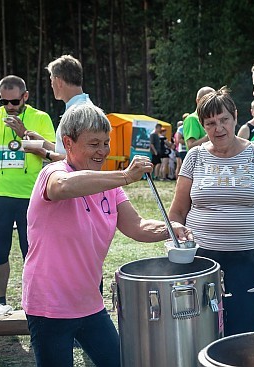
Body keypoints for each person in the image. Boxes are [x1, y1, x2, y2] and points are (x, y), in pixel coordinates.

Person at [22, 103, 192, 367]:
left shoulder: (109, 187)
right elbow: (62, 187)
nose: (102, 151)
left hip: (89, 303)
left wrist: (171, 229)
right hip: (49, 305)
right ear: (68, 142)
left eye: (105, 142)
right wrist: (124, 175)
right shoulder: (53, 173)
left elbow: (136, 226)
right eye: (93, 144)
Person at [169, 87, 254, 336]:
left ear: (235, 116)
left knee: (245, 331)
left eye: (224, 120)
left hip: (252, 258)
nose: (218, 128)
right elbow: (177, 212)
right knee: (204, 330)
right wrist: (177, 236)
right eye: (210, 123)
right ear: (203, 126)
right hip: (203, 259)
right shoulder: (194, 157)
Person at [0, 75, 55, 305]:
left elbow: (52, 152)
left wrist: (23, 132)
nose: (9, 107)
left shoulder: (40, 117)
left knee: (32, 255)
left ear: (25, 96)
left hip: (30, 195)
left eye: (14, 102)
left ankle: (36, 304)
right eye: (4, 101)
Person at [25, 55, 93, 162]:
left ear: (58, 81)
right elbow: (65, 151)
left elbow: (79, 159)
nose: (51, 85)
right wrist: (42, 142)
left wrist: (45, 154)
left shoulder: (79, 111)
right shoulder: (79, 107)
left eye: (51, 80)